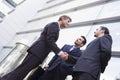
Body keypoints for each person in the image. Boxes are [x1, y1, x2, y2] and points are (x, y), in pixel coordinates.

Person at [0, 15, 72, 80]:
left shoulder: (56, 27)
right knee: (22, 71)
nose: (68, 24)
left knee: (23, 71)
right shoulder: (54, 25)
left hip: (39, 53)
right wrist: (60, 53)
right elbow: (50, 40)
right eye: (68, 21)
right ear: (62, 19)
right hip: (37, 52)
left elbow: (49, 42)